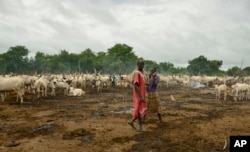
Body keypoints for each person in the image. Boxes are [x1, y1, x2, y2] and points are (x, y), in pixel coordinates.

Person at [128, 58, 147, 131]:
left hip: (141, 93)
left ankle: (132, 121)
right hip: (138, 94)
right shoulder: (137, 73)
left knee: (139, 109)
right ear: (137, 64)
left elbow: (142, 83)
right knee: (139, 110)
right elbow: (135, 85)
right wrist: (141, 96)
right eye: (141, 64)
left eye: (143, 64)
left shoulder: (141, 72)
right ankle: (140, 126)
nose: (142, 65)